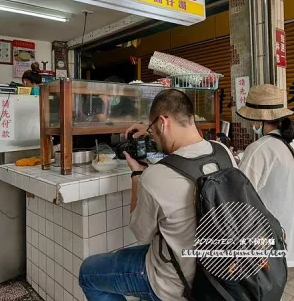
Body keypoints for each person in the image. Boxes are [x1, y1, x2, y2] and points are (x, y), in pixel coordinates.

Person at [79, 89, 237, 300]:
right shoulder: (222, 152)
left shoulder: (156, 176)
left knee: (88, 273)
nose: (152, 135)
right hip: (221, 273)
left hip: (174, 281)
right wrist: (151, 129)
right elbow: (188, 153)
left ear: (163, 123)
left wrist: (137, 175)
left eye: (153, 129)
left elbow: (141, 233)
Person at [237, 84, 294, 268]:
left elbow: (239, 194)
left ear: (258, 120)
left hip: (266, 240)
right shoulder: (290, 143)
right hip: (287, 235)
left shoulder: (259, 149)